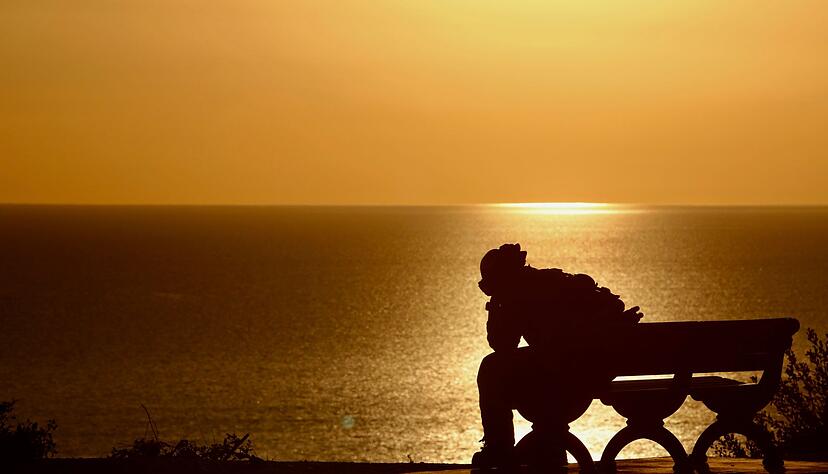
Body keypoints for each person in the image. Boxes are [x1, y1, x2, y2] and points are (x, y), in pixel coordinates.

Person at [472, 243, 643, 469]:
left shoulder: (519, 293)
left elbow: (502, 345)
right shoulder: (552, 282)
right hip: (590, 371)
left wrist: (496, 305)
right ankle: (547, 450)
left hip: (565, 377)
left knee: (490, 368)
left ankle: (499, 447)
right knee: (538, 370)